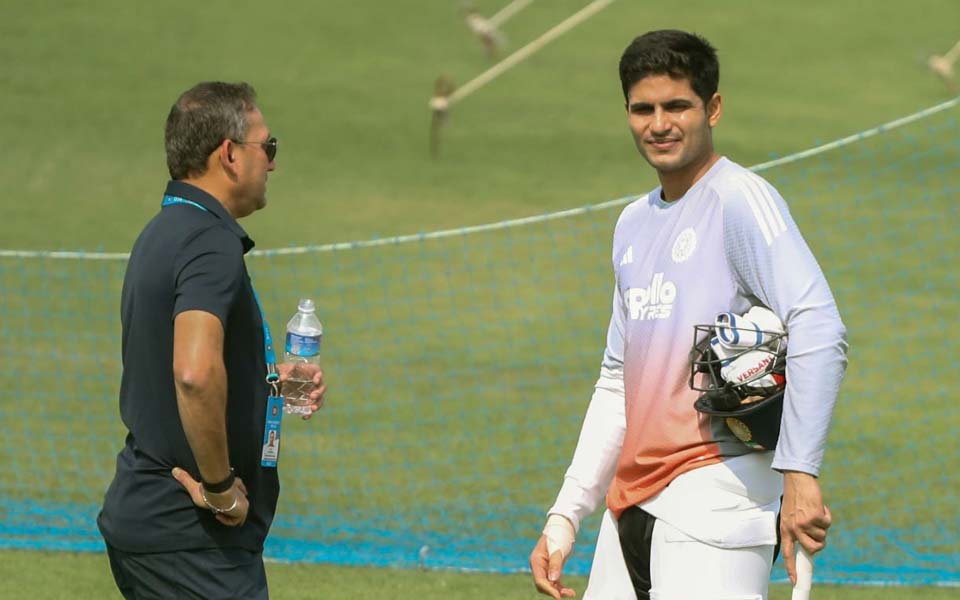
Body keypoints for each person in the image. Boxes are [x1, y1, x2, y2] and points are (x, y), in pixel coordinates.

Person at [529, 30, 848, 599]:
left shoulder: (740, 200)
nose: (659, 124)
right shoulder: (631, 224)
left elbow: (819, 327)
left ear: (713, 109)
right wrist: (565, 514)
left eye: (677, 105)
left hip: (719, 501)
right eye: (643, 108)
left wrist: (800, 472)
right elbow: (614, 382)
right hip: (629, 501)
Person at [97, 81, 326, 600]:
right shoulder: (211, 242)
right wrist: (221, 491)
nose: (272, 163)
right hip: (191, 539)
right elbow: (194, 373)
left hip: (154, 525)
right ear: (228, 153)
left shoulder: (165, 230)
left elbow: (173, 365)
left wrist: (268, 384)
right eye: (267, 147)